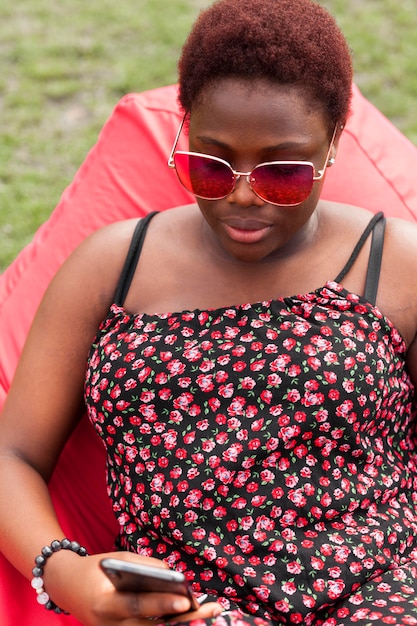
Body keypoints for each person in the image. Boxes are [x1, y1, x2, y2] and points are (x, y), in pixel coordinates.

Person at [1, 0, 417, 624]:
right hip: (186, 613)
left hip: (382, 598)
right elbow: (13, 455)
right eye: (211, 164)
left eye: (282, 171)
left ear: (334, 144)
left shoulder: (397, 264)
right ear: (185, 130)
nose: (243, 196)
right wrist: (67, 575)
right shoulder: (111, 267)